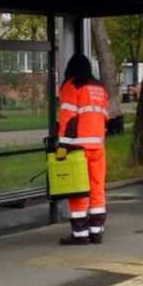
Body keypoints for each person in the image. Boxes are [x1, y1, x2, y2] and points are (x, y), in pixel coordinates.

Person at [56, 54, 109, 245]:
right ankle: (96, 231)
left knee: (78, 189)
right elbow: (105, 118)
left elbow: (68, 118)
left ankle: (80, 234)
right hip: (98, 146)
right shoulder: (100, 88)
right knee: (97, 187)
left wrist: (62, 145)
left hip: (78, 148)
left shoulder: (72, 86)